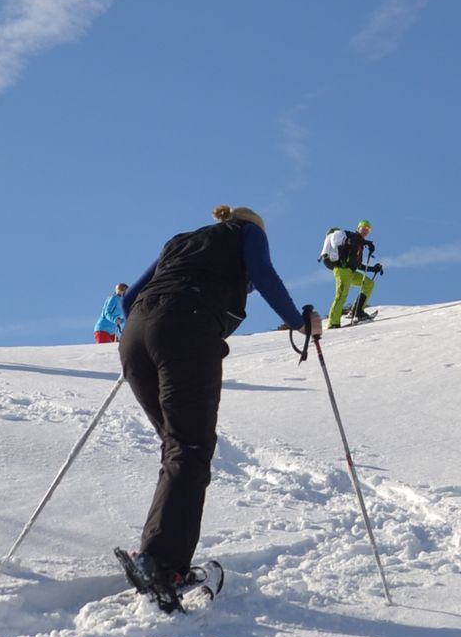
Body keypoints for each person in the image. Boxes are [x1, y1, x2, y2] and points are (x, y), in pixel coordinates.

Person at [116, 206, 319, 608]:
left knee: (178, 447)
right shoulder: (248, 232)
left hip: (136, 334)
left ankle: (157, 555)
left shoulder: (181, 241)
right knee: (189, 449)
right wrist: (300, 322)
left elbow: (128, 301)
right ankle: (164, 564)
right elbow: (263, 274)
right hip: (187, 329)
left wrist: (151, 324)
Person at [319, 219, 383, 328]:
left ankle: (357, 311)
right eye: (364, 228)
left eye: (368, 229)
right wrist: (366, 243)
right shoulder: (352, 237)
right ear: (358, 228)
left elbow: (357, 264)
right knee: (342, 295)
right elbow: (352, 242)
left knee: (369, 284)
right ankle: (333, 323)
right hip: (342, 270)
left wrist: (373, 269)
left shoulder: (360, 245)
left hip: (351, 272)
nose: (366, 231)